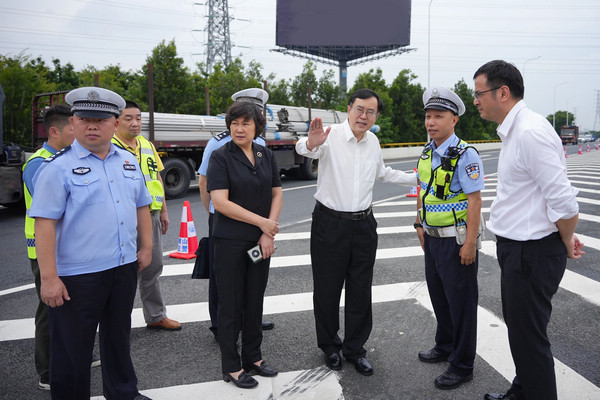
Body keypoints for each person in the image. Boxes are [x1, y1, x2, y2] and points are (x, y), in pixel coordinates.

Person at [30, 87, 153, 400]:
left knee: (118, 337)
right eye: (84, 119)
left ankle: (124, 392)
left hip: (122, 267)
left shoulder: (127, 161)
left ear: (114, 123)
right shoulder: (57, 168)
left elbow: (141, 205)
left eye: (101, 119)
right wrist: (49, 279)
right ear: (73, 123)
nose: (92, 126)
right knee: (73, 348)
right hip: (77, 275)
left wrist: (146, 247)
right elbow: (44, 224)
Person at [472, 60, 584, 400]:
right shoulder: (517, 129)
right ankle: (522, 391)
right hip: (521, 249)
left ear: (502, 93)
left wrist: (565, 238)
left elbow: (564, 203)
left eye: (479, 93)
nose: (476, 100)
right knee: (522, 334)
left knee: (530, 338)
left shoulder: (530, 132)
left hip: (532, 253)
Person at [295, 88, 415, 376]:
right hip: (330, 223)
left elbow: (383, 173)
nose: (364, 116)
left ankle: (355, 349)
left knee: (360, 289)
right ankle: (330, 346)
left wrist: (418, 177)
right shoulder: (330, 134)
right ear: (349, 109)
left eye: (371, 112)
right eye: (360, 109)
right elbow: (305, 146)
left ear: (375, 116)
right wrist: (311, 143)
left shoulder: (373, 140)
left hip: (364, 225)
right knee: (327, 288)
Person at [206, 101, 282, 389]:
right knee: (231, 303)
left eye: (245, 123)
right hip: (229, 242)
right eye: (235, 123)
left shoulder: (265, 154)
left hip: (258, 242)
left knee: (254, 299)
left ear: (256, 127)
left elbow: (277, 194)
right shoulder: (220, 156)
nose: (239, 128)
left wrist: (267, 233)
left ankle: (254, 356)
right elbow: (220, 202)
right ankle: (232, 365)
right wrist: (262, 223)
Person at [415, 87, 484, 390]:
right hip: (431, 238)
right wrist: (419, 224)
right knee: (440, 297)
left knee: (462, 303)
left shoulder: (465, 154)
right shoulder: (428, 151)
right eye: (428, 116)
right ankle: (444, 345)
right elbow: (422, 190)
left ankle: (462, 364)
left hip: (456, 240)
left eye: (438, 116)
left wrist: (470, 242)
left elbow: (475, 200)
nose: (431, 122)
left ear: (454, 119)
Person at [198, 88, 274, 341]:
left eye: (250, 117)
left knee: (252, 272)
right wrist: (213, 210)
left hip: (255, 225)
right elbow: (204, 182)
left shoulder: (261, 145)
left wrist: (266, 226)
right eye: (237, 120)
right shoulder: (218, 144)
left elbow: (271, 189)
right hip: (225, 220)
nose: (241, 126)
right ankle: (220, 326)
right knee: (223, 278)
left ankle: (249, 318)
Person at [112, 100, 181, 331]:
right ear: (115, 122)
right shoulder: (109, 146)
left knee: (152, 267)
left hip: (149, 216)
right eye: (128, 118)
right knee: (122, 272)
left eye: (138, 118)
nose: (135, 123)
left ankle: (155, 316)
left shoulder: (146, 145)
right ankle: (118, 323)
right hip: (122, 219)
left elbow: (157, 178)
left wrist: (163, 211)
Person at [22, 104, 75, 390]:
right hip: (45, 251)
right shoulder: (40, 164)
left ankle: (70, 356)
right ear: (54, 131)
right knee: (49, 309)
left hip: (68, 248)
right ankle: (47, 370)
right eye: (71, 127)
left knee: (70, 305)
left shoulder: (66, 158)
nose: (77, 131)